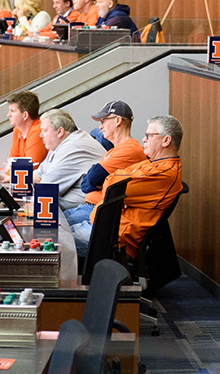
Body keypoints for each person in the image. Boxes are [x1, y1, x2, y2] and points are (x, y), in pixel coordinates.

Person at [71, 115, 183, 262]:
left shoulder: (164, 173)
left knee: (54, 243)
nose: (144, 140)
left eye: (149, 136)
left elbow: (111, 186)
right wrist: (115, 178)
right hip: (101, 229)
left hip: (113, 241)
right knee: (52, 233)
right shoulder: (151, 164)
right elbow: (113, 178)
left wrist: (115, 178)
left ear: (166, 141)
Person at [64, 100, 146, 228]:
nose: (100, 127)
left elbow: (91, 179)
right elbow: (86, 183)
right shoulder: (114, 150)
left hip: (98, 211)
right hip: (90, 207)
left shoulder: (130, 149)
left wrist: (96, 181)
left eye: (103, 121)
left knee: (55, 231)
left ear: (118, 120)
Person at [33, 108, 105, 210]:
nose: (40, 135)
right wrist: (14, 183)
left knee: (39, 212)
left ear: (60, 132)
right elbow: (39, 174)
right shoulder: (59, 143)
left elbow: (45, 191)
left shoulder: (73, 147)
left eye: (44, 130)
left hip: (91, 207)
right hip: (72, 204)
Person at [4, 91, 47, 170]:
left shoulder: (38, 131)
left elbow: (29, 169)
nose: (8, 115)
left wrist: (11, 171)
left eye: (12, 111)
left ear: (25, 115)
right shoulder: (17, 130)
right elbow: (11, 162)